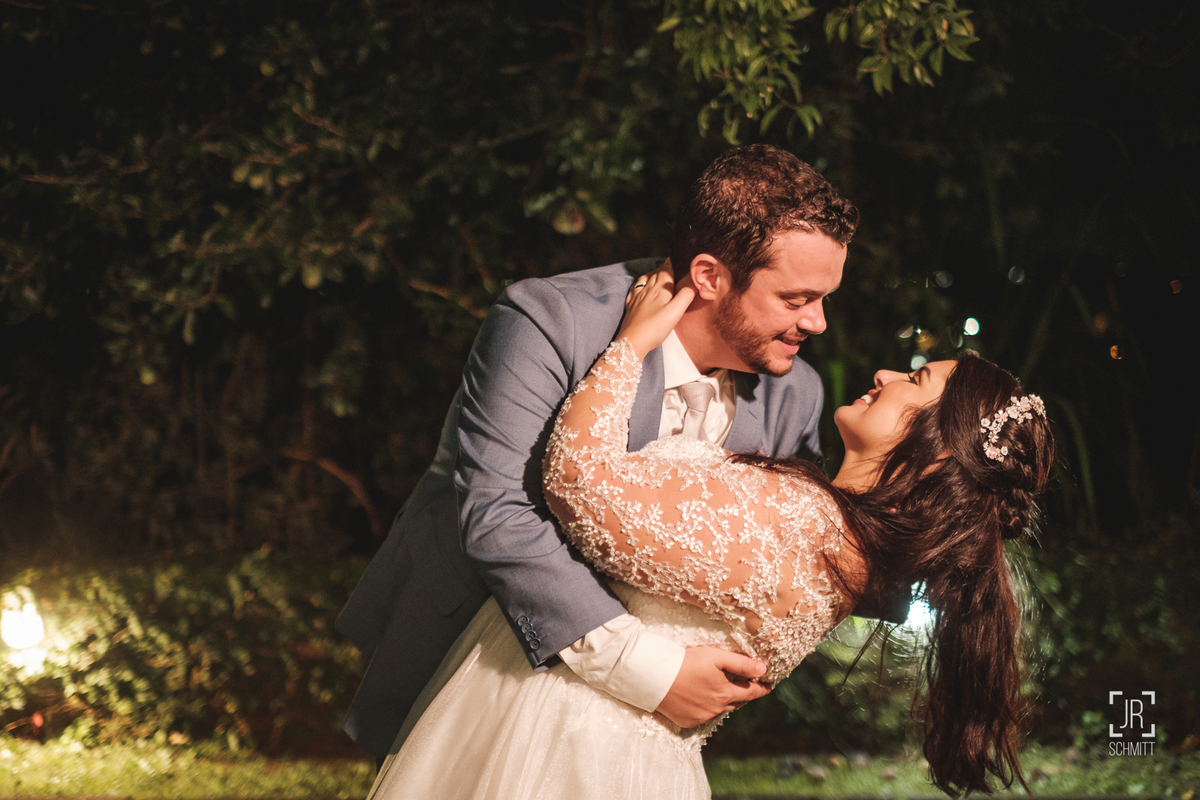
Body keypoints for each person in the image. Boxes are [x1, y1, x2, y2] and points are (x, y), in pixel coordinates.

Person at [368, 267, 1055, 799]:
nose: (885, 373)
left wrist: (632, 344)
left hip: (565, 743)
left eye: (915, 379)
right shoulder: (853, 551)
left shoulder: (803, 518)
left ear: (937, 452)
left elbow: (577, 482)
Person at [336, 144, 864, 765]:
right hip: (484, 663)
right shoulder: (551, 320)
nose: (817, 322)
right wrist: (649, 672)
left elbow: (792, 562)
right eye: (796, 299)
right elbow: (498, 512)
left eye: (825, 298)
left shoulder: (796, 392)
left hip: (637, 737)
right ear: (709, 276)